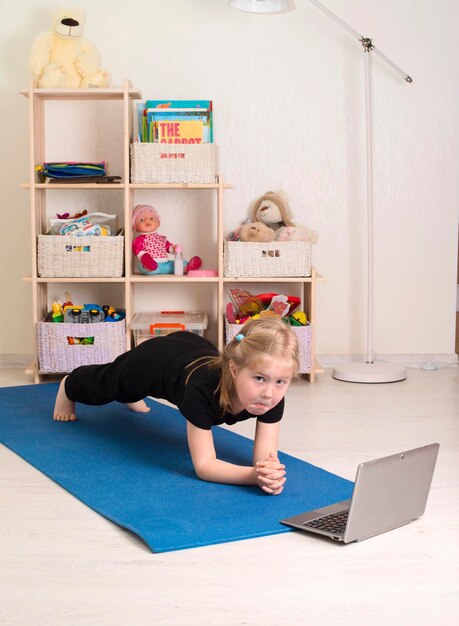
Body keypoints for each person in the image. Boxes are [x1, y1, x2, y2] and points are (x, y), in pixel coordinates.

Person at [53, 316, 300, 495]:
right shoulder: (202, 393)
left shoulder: (271, 395)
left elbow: (265, 456)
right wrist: (252, 477)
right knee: (106, 384)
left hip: (193, 352)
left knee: (129, 389)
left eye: (281, 381)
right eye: (259, 378)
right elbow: (204, 466)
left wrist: (268, 471)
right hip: (155, 360)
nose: (269, 393)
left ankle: (130, 394)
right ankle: (69, 385)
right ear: (234, 370)